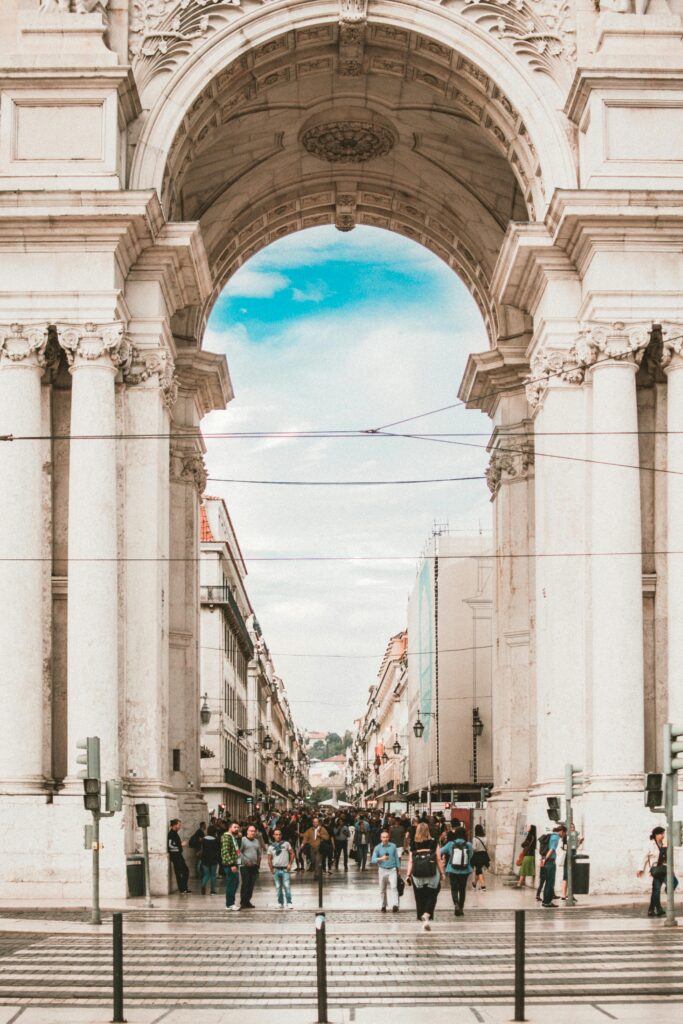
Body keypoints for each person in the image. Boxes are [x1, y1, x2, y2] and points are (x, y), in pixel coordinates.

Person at [407, 821, 445, 930]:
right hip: (432, 872)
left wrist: (408, 875)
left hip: (417, 873)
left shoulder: (413, 843)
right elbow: (438, 859)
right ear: (428, 830)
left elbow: (410, 861)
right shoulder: (434, 842)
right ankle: (427, 915)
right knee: (432, 894)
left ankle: (423, 918)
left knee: (419, 897)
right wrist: (442, 873)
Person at [637, 825, 679, 917]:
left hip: (664, 868)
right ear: (656, 834)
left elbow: (668, 856)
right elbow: (643, 856)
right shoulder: (650, 844)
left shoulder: (664, 843)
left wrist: (666, 846)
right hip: (656, 869)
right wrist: (640, 869)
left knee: (672, 883)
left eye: (663, 833)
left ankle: (653, 908)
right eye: (661, 834)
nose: (663, 835)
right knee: (656, 890)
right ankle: (655, 909)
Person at [440, 825, 473, 917]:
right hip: (465, 870)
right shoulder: (468, 845)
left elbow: (440, 851)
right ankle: (461, 908)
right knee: (462, 889)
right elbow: (470, 856)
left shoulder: (451, 844)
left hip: (452, 870)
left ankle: (456, 905)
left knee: (454, 889)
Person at [371, 829, 401, 913]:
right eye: (383, 837)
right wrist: (381, 858)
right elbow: (373, 860)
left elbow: (396, 858)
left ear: (389, 837)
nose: (385, 839)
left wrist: (398, 869)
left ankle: (395, 905)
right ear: (381, 838)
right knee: (382, 889)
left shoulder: (393, 846)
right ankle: (383, 905)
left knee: (394, 887)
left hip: (392, 869)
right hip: (382, 870)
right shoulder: (377, 848)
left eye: (387, 837)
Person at [267, 827, 295, 908]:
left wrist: (290, 864)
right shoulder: (271, 847)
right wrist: (271, 869)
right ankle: (280, 902)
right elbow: (269, 859)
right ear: (273, 836)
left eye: (279, 834)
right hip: (276, 869)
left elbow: (292, 854)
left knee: (287, 886)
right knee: (278, 887)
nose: (278, 836)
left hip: (285, 869)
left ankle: (289, 902)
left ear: (281, 835)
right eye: (276, 835)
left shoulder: (286, 844)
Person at [239, 824, 262, 909]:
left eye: (254, 831)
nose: (252, 833)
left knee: (251, 884)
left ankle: (248, 901)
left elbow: (259, 853)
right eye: (251, 831)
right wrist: (245, 861)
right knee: (246, 883)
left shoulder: (256, 841)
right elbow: (239, 852)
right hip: (244, 866)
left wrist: (258, 863)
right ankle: (243, 901)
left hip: (254, 866)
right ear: (247, 832)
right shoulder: (243, 840)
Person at [221, 821, 241, 911]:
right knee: (231, 884)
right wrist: (232, 864)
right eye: (235, 827)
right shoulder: (226, 837)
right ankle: (230, 904)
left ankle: (230, 903)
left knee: (235, 883)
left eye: (238, 827)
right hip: (230, 865)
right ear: (230, 828)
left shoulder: (232, 837)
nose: (237, 829)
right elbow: (225, 851)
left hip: (234, 863)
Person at [167, 819, 190, 894]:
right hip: (175, 856)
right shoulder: (171, 834)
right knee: (180, 872)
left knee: (185, 871)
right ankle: (182, 889)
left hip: (178, 855)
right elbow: (170, 845)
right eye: (179, 825)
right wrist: (181, 845)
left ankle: (184, 888)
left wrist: (180, 844)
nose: (180, 826)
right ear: (174, 825)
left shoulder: (175, 833)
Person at [541, 826, 560, 907]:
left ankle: (545, 901)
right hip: (550, 862)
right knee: (550, 883)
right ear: (561, 831)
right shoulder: (556, 837)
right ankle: (547, 902)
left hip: (546, 862)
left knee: (547, 882)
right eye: (564, 833)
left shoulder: (551, 835)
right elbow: (551, 849)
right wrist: (545, 859)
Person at [198, 825, 220, 895]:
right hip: (213, 859)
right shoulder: (216, 839)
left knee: (206, 874)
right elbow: (218, 849)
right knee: (213, 875)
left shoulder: (203, 839)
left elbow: (202, 849)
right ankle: (212, 891)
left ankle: (203, 885)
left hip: (205, 859)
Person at [517, 825, 536, 889]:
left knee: (523, 870)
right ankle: (520, 883)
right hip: (530, 854)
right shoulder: (533, 836)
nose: (527, 828)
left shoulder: (530, 836)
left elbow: (523, 844)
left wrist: (524, 844)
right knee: (524, 870)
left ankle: (519, 884)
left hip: (528, 854)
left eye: (529, 827)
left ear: (531, 829)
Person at [471, 823, 489, 891]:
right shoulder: (485, 838)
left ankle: (483, 886)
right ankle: (474, 884)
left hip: (477, 855)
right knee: (479, 870)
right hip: (484, 855)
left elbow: (474, 848)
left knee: (479, 870)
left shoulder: (475, 838)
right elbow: (486, 847)